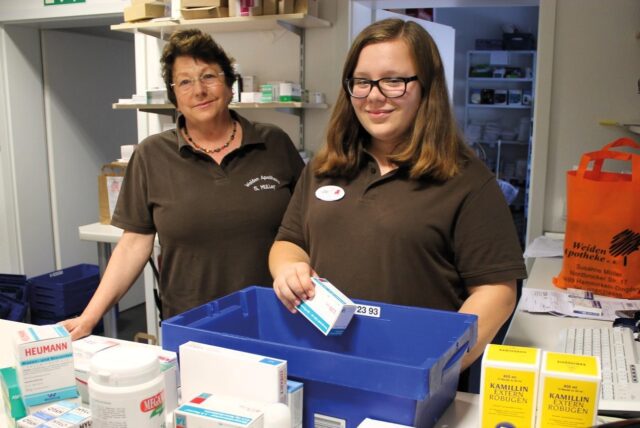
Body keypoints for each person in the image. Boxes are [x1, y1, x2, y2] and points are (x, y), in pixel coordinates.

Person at [269, 18, 527, 372]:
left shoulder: (466, 180)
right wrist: (288, 268)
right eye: (362, 82)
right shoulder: (325, 166)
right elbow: (290, 240)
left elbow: (496, 291)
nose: (374, 95)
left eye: (393, 80)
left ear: (427, 88)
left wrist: (438, 365)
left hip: (411, 372)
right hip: (322, 361)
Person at [62, 29, 304, 339]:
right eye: (185, 82)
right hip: (192, 322)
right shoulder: (152, 155)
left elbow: (306, 223)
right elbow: (134, 243)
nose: (199, 90)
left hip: (274, 316)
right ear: (174, 97)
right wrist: (89, 317)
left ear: (230, 86)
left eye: (209, 77)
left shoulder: (274, 144)